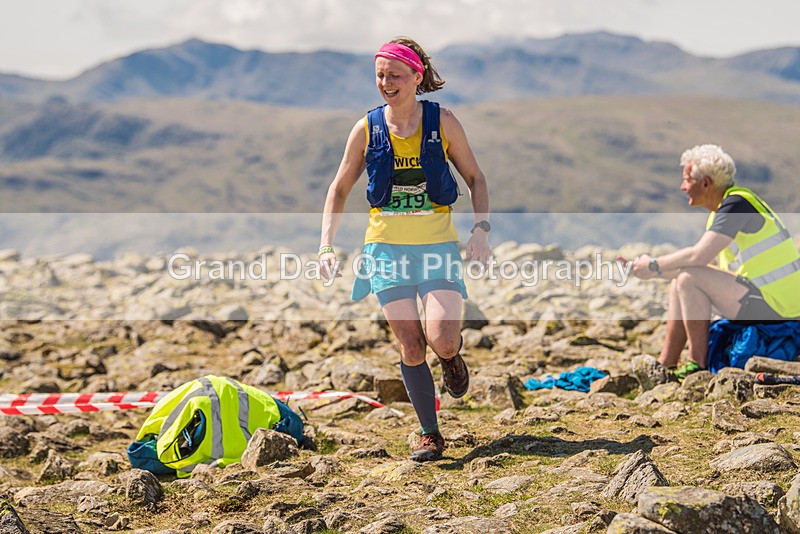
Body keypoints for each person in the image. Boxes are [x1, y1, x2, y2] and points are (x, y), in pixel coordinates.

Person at [318, 37, 491, 461]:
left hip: (436, 248)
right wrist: (325, 245)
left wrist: (481, 229)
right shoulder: (367, 128)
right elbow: (339, 188)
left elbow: (476, 179)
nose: (385, 82)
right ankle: (429, 433)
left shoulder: (443, 121)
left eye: (394, 75)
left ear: (417, 76)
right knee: (411, 347)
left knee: (442, 340)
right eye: (379, 75)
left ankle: (451, 360)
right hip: (386, 250)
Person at [630, 144, 800, 379]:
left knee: (688, 279)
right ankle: (665, 365)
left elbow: (697, 257)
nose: (683, 187)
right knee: (681, 280)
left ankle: (696, 366)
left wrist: (654, 264)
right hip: (769, 301)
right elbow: (706, 267)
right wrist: (652, 272)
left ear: (706, 183)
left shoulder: (737, 204)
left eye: (687, 180)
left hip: (780, 309)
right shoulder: (723, 211)